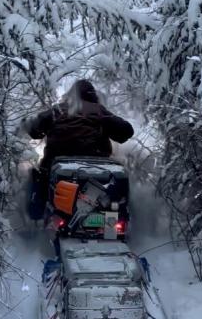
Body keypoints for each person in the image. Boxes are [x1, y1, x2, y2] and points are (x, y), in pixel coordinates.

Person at [23, 79, 134, 219]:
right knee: (117, 186)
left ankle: (36, 216)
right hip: (98, 166)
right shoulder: (99, 111)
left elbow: (33, 130)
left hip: (57, 165)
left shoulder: (58, 110)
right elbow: (126, 132)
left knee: (39, 177)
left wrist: (26, 124)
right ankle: (116, 218)